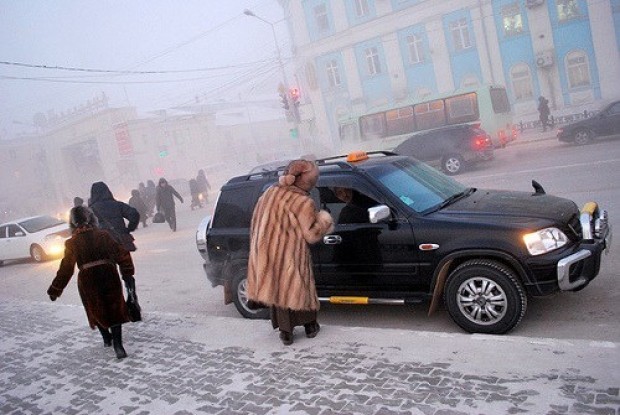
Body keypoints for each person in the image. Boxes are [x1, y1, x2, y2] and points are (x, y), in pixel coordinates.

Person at [246, 159, 334, 346]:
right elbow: (311, 234)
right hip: (291, 254)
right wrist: (324, 220)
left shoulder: (269, 193)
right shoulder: (303, 202)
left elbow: (255, 222)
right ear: (304, 180)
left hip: (266, 252)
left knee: (279, 292)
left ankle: (286, 333)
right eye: (313, 180)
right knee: (300, 288)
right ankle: (310, 327)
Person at [47, 206, 136, 359]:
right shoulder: (103, 235)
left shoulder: (71, 243)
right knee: (114, 308)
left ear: (73, 224)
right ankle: (118, 345)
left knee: (94, 307)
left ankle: (106, 338)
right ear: (92, 219)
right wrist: (127, 273)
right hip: (108, 274)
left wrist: (55, 289)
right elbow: (122, 255)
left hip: (87, 279)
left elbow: (66, 269)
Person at [89, 181, 139, 252]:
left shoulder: (91, 210)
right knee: (125, 262)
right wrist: (129, 228)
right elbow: (134, 214)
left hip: (103, 243)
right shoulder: (117, 204)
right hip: (121, 241)